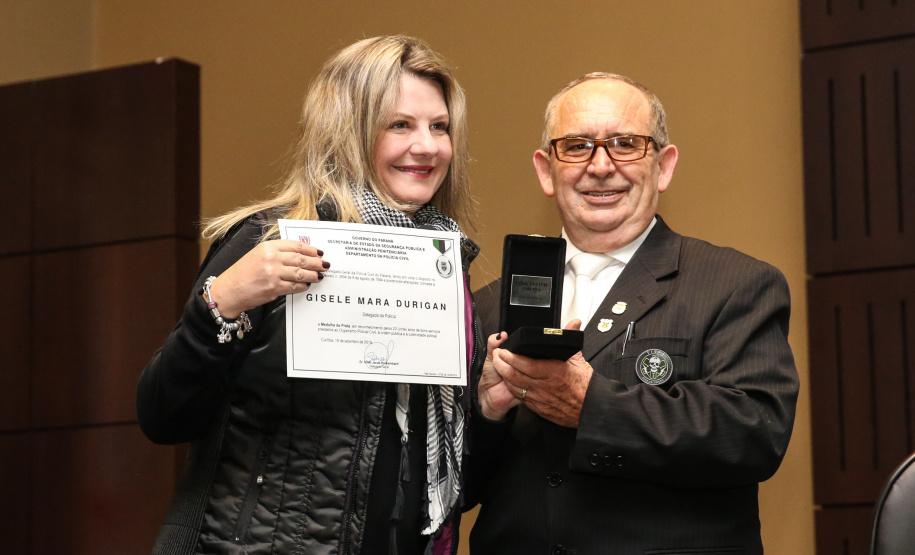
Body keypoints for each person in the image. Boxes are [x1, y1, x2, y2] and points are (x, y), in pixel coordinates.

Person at [137, 35, 483, 555]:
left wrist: (490, 407)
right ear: (348, 132)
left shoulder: (445, 267)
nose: (427, 146)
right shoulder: (268, 243)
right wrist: (221, 302)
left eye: (439, 127)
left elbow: (441, 474)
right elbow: (163, 416)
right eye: (399, 125)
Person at [465, 73, 799, 554]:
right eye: (577, 146)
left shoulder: (735, 284)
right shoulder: (486, 305)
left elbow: (753, 435)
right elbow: (444, 490)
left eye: (625, 144)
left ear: (663, 166)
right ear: (545, 170)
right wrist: (488, 413)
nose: (600, 167)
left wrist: (592, 406)